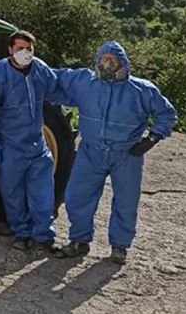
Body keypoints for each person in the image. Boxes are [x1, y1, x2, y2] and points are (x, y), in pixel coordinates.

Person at [53, 41, 177, 264]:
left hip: (127, 154)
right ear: (97, 62)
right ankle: (79, 241)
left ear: (123, 63)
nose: (108, 65)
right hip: (91, 151)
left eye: (113, 61)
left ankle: (119, 247)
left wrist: (152, 138)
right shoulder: (84, 82)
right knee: (77, 197)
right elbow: (52, 77)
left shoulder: (142, 90)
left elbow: (167, 114)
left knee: (126, 201)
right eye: (104, 60)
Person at [0, 30, 63, 254]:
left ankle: (43, 236)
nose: (25, 53)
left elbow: (55, 87)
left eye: (29, 49)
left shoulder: (40, 69)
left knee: (43, 194)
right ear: (10, 50)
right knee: (13, 194)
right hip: (10, 147)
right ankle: (21, 233)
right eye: (19, 49)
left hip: (37, 145)